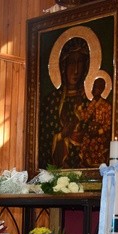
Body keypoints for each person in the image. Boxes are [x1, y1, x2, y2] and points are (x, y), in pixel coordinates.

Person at [38, 37, 92, 169]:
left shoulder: (89, 104)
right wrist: (62, 135)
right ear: (63, 66)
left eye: (80, 63)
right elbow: (43, 138)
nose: (76, 70)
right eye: (72, 63)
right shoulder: (51, 101)